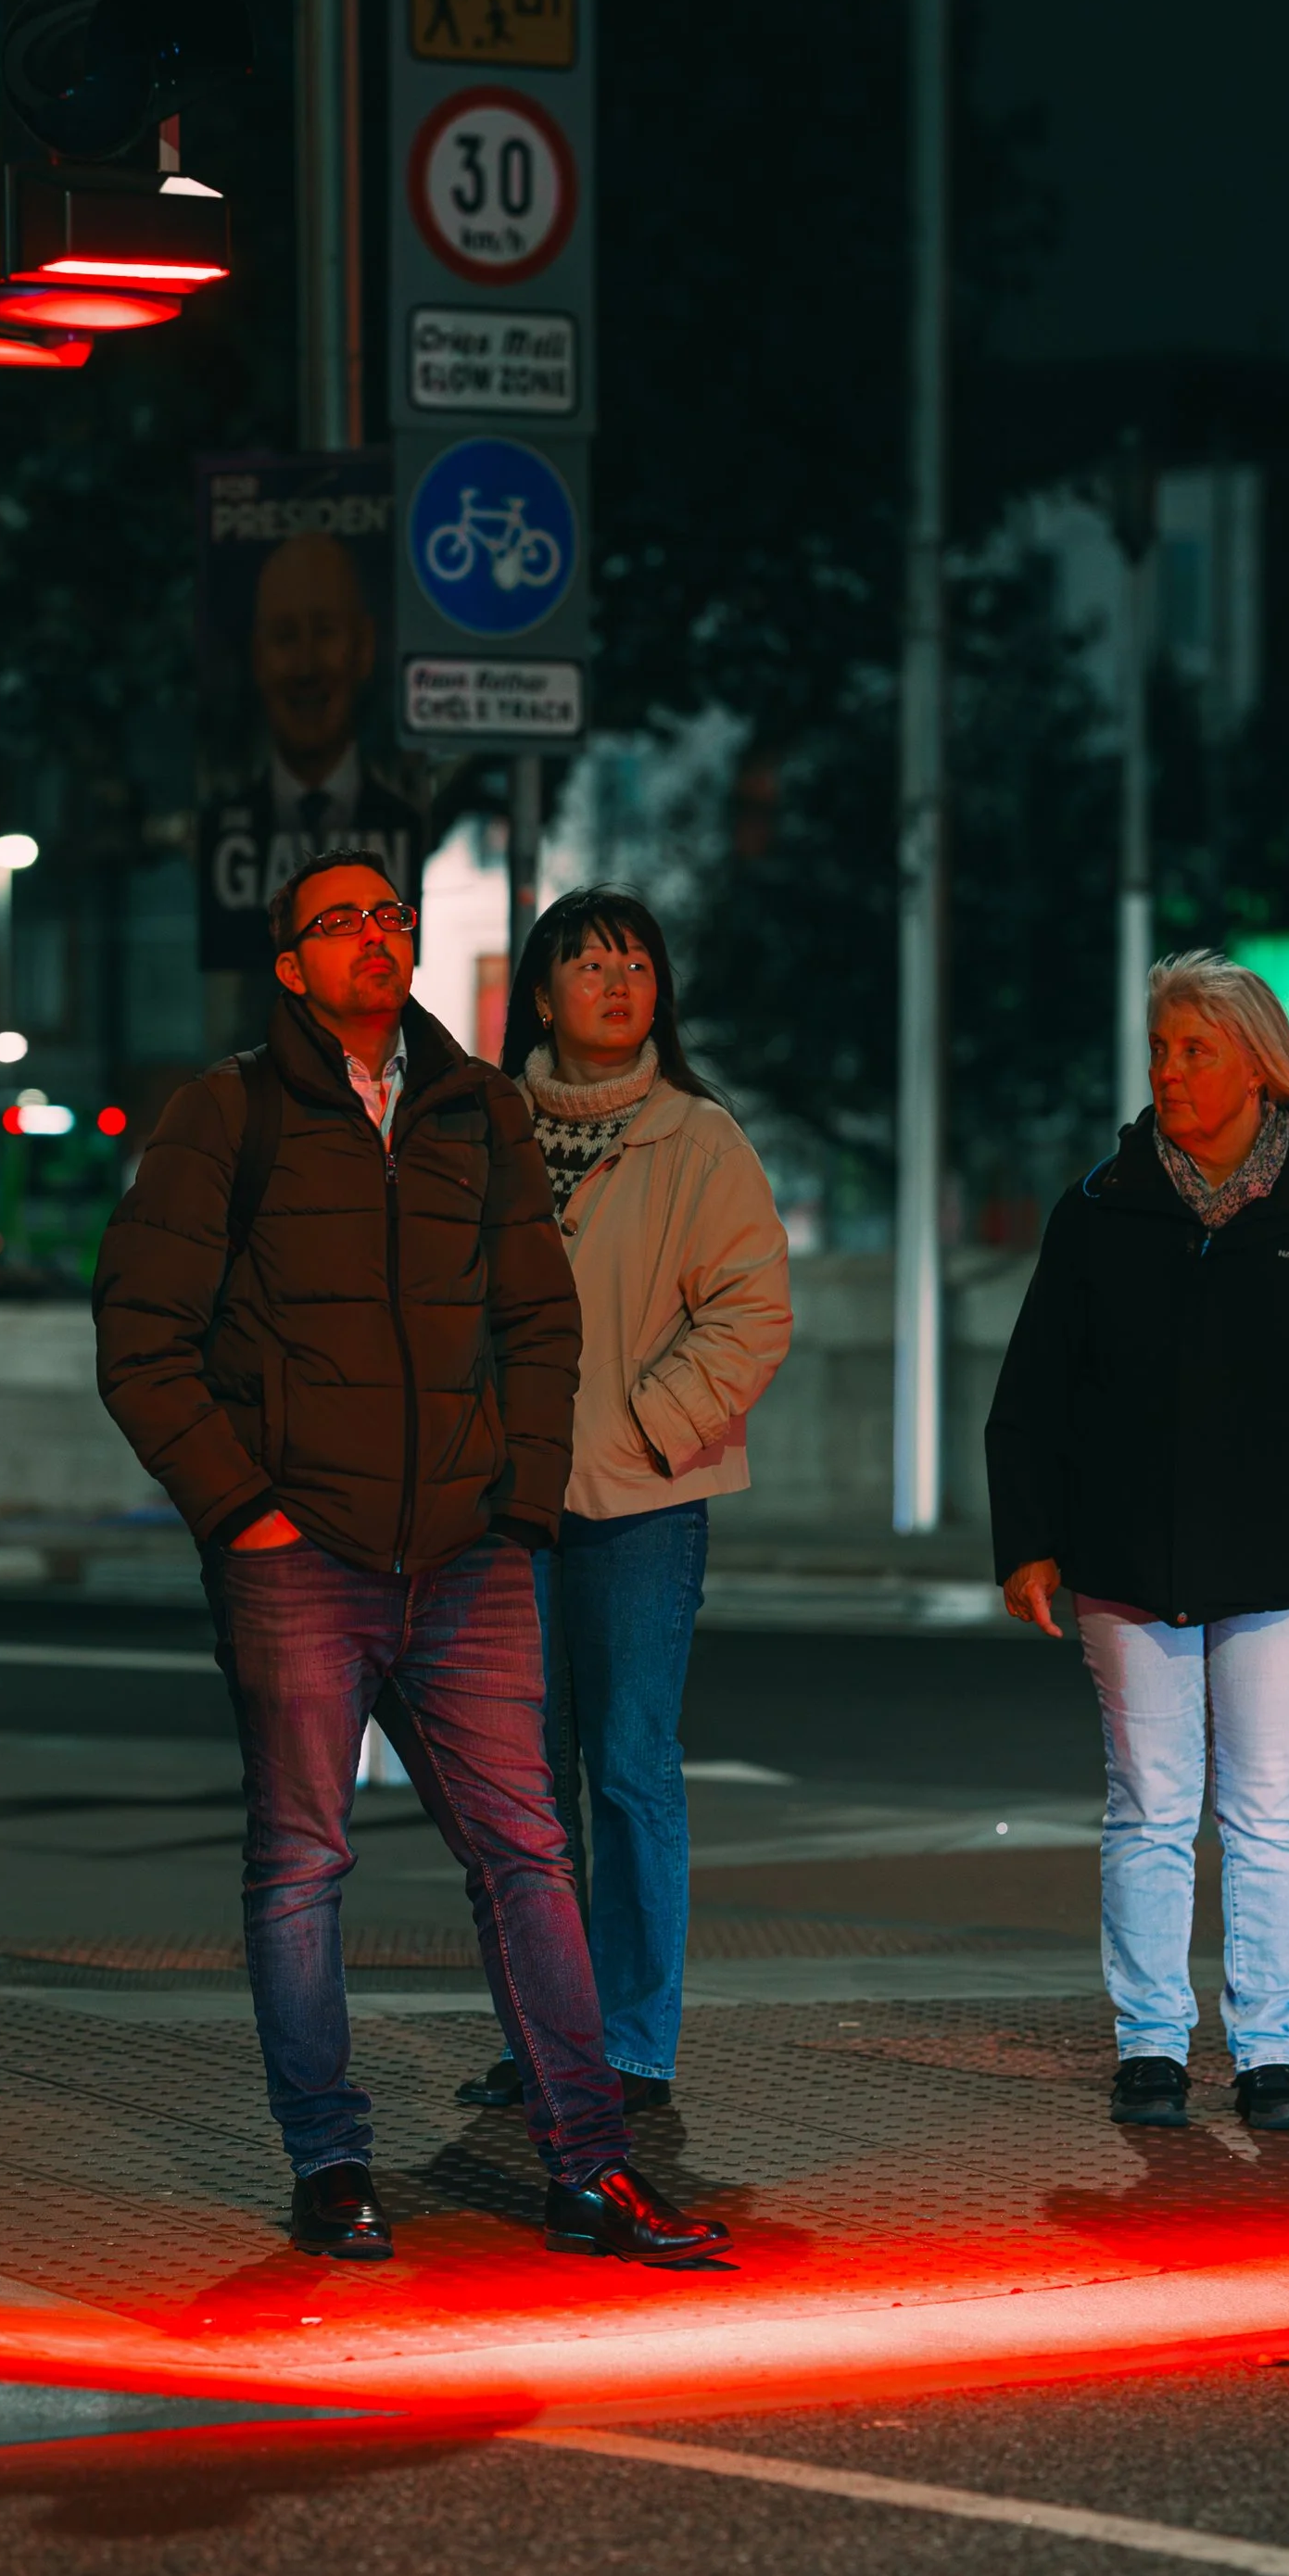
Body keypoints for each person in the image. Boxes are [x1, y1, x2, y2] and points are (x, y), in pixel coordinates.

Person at [92, 849, 726, 2269]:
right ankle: (330, 2164)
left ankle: (590, 2165)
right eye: (341, 922)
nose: (375, 936)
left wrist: (522, 1506)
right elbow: (141, 1336)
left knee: (528, 1851)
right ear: (290, 964)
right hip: (296, 1556)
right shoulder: (227, 1115)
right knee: (304, 1863)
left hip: (466, 1553)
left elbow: (538, 1323)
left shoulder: (473, 1107)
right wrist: (242, 1511)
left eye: (390, 915)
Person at [988, 950, 1289, 2137]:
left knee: (1270, 1808)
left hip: (1283, 1564)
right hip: (1126, 1561)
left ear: (1257, 1067)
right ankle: (1148, 2047)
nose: (1169, 1072)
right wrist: (1028, 1543)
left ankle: (1266, 2050)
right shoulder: (1101, 1205)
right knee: (1146, 1804)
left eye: (1196, 1050)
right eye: (1160, 1050)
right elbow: (1034, 1388)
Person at [457, 890, 791, 2120]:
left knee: (632, 1769)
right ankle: (544, 2036)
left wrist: (651, 1424)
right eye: (587, 961)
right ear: (539, 993)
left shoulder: (697, 1138)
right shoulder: (486, 1128)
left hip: (644, 1503)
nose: (616, 980)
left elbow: (753, 1311)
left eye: (637, 962)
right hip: (504, 1503)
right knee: (518, 1787)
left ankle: (637, 2043)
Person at [196, 530, 423, 974]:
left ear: (363, 648)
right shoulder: (221, 830)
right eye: (284, 637)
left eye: (324, 632)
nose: (305, 667)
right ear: (257, 656)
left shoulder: (404, 821)